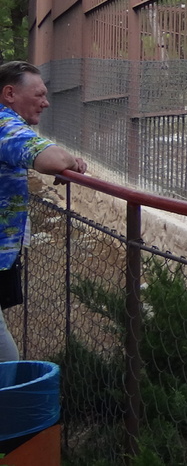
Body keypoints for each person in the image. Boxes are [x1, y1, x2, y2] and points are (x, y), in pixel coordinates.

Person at [0, 61, 87, 362]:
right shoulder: (5, 127)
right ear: (9, 93)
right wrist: (69, 161)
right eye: (38, 94)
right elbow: (49, 158)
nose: (46, 102)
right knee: (6, 359)